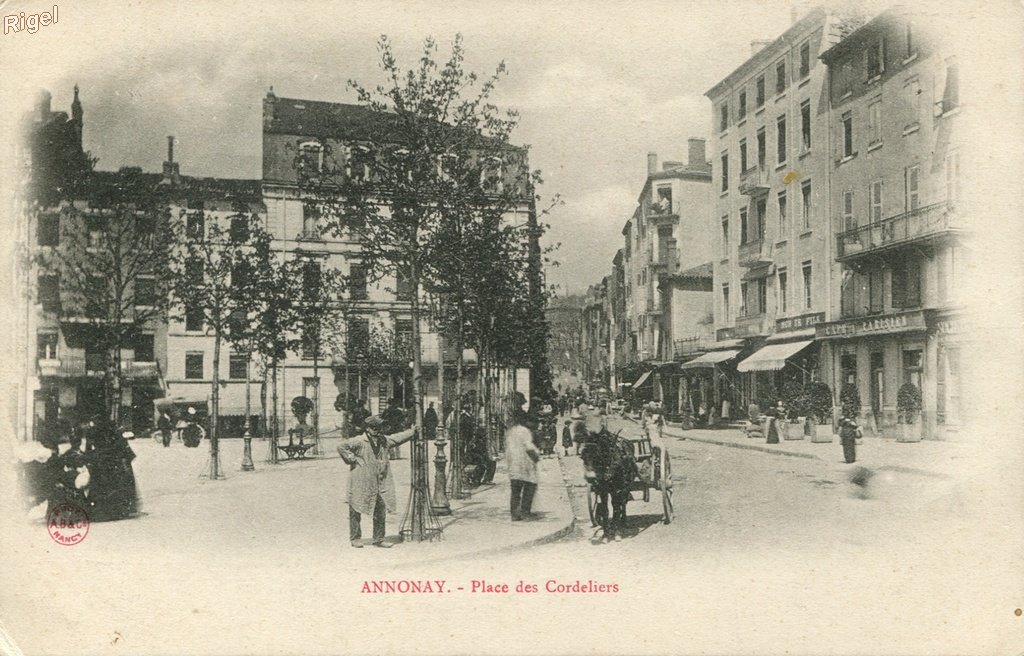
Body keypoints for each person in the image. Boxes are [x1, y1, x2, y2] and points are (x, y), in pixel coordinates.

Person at [337, 415, 416, 548]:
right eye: (374, 428)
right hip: (360, 480)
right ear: (367, 429)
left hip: (378, 481)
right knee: (356, 508)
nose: (377, 430)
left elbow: (397, 438)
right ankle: (355, 538)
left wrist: (412, 431)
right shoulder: (359, 441)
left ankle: (379, 539)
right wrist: (353, 459)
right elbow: (341, 446)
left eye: (379, 428)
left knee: (380, 508)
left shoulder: (383, 440)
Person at [505, 407, 540, 521]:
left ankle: (514, 514)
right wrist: (537, 456)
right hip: (524, 464)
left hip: (513, 464)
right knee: (530, 487)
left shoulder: (510, 431)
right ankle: (525, 511)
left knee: (515, 491)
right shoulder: (525, 431)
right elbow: (529, 448)